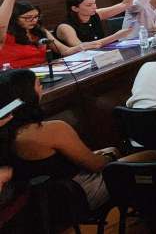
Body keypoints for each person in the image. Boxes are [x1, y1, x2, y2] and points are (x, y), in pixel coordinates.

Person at [0, 68, 128, 209]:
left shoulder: (6, 133)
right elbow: (96, 165)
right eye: (38, 84)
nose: (42, 87)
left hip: (44, 203)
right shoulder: (52, 130)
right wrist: (111, 158)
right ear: (28, 95)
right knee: (145, 159)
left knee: (111, 151)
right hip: (79, 193)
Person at [0, 0, 95, 68]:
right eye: (28, 18)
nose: (34, 20)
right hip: (18, 76)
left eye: (36, 17)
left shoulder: (39, 30)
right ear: (14, 18)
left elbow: (65, 51)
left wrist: (82, 47)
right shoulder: (5, 35)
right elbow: (1, 24)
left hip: (44, 72)